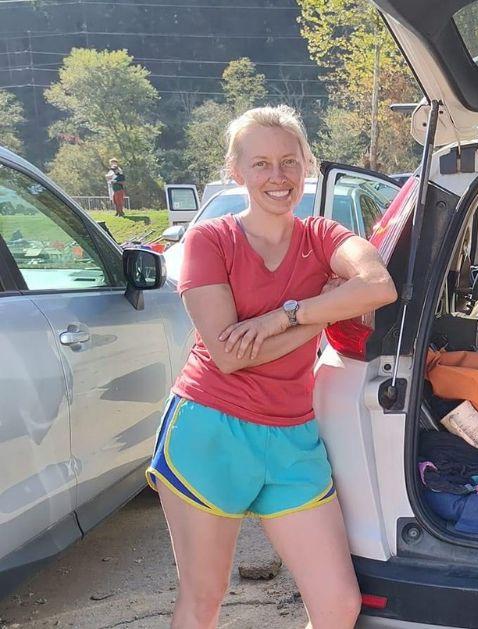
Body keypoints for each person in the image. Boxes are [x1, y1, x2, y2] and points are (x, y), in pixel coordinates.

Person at [146, 105, 397, 629]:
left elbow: (378, 286)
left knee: (337, 605)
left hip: (292, 438)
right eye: (260, 164)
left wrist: (284, 315)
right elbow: (231, 355)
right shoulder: (209, 241)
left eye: (289, 161)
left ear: (306, 165)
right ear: (235, 171)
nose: (277, 176)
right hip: (211, 431)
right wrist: (320, 314)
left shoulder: (322, 236)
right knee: (204, 601)